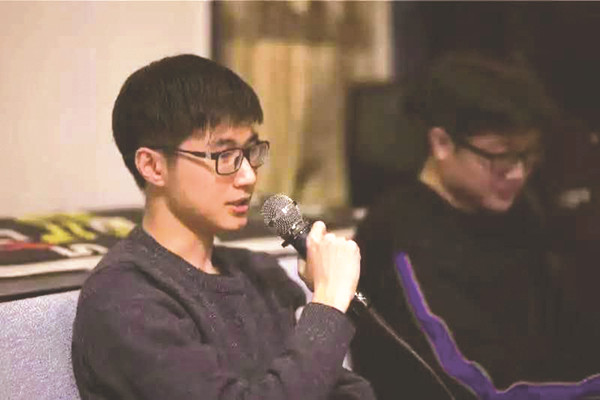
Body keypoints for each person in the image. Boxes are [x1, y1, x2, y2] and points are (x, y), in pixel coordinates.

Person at [71, 54, 375, 400]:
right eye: (224, 155)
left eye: (251, 151)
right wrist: (328, 303)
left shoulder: (259, 274)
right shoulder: (124, 298)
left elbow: (345, 391)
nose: (248, 176)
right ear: (153, 166)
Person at [350, 52, 599, 399]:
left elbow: (564, 330)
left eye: (528, 155)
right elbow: (471, 383)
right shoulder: (399, 234)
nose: (518, 173)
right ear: (442, 143)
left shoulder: (518, 213)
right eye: (500, 156)